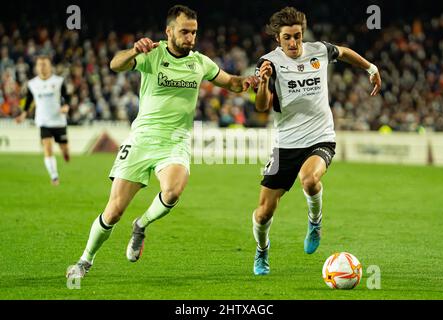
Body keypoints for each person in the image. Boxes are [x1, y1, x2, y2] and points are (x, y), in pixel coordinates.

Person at [66, 4, 258, 279]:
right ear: (169, 31)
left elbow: (231, 83)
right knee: (114, 211)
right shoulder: (152, 54)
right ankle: (85, 260)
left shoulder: (200, 62)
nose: (190, 37)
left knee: (172, 192)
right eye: (184, 31)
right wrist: (134, 50)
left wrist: (249, 81)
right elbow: (115, 64)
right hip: (142, 138)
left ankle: (141, 225)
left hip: (175, 141)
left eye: (193, 32)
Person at [251, 7, 381, 275]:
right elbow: (262, 107)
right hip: (286, 144)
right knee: (263, 212)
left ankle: (315, 221)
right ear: (278, 38)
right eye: (287, 37)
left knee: (309, 179)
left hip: (320, 137)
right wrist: (263, 84)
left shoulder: (319, 50)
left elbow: (343, 52)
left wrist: (370, 67)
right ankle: (262, 251)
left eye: (297, 36)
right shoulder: (269, 62)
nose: (294, 43)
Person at [15, 55, 71, 186]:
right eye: (39, 64)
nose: (42, 67)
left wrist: (65, 106)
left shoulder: (59, 81)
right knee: (47, 145)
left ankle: (66, 153)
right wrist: (23, 115)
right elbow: (28, 101)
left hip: (58, 121)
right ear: (36, 67)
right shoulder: (32, 84)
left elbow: (66, 96)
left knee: (64, 148)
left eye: (44, 64)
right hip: (43, 121)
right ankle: (54, 176)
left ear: (50, 66)